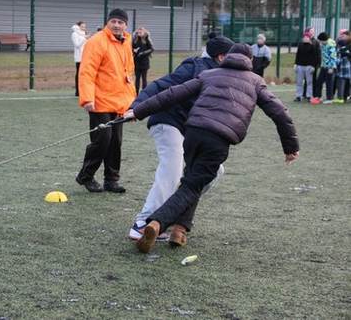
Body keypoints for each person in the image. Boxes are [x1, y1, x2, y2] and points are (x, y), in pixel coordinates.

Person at [125, 44, 299, 254]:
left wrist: (138, 111)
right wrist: (291, 147)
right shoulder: (256, 81)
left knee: (194, 180)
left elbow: (171, 94)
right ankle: (156, 223)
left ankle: (179, 230)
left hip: (192, 133)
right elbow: (280, 114)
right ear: (250, 61)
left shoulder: (209, 74)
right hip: (217, 139)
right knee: (192, 186)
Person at [127, 34, 234, 243]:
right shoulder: (194, 67)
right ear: (221, 57)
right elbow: (161, 85)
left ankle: (167, 216)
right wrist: (136, 107)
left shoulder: (224, 74)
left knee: (214, 171)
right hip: (168, 122)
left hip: (191, 131)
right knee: (172, 168)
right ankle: (142, 223)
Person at [75, 8, 136, 193]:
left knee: (116, 142)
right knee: (102, 140)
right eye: (114, 21)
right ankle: (86, 176)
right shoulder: (96, 41)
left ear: (126, 25)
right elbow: (86, 71)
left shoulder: (127, 41)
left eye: (121, 22)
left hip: (120, 102)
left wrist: (132, 104)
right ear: (107, 23)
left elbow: (129, 74)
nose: (117, 25)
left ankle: (111, 180)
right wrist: (87, 98)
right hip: (99, 101)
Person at [294, 29, 321, 102]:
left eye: (307, 37)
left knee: (309, 82)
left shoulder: (313, 46)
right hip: (300, 66)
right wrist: (296, 64)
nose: (305, 38)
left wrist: (313, 66)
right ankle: (298, 96)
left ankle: (309, 96)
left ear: (309, 38)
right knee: (299, 82)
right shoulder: (300, 44)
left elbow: (315, 57)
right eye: (304, 37)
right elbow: (298, 55)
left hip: (309, 66)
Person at [312, 32, 337, 105]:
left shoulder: (330, 46)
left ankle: (330, 99)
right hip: (324, 66)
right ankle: (318, 97)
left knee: (329, 83)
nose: (319, 42)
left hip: (330, 67)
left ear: (324, 40)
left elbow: (333, 57)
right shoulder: (323, 44)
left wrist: (331, 68)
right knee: (319, 81)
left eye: (320, 40)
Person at [132, 27, 154, 94]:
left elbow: (151, 49)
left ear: (144, 32)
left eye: (141, 32)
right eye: (138, 32)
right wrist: (134, 51)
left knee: (144, 78)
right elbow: (131, 48)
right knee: (137, 79)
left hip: (144, 63)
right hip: (136, 62)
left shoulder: (146, 39)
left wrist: (143, 53)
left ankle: (144, 93)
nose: (139, 33)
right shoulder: (135, 40)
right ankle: (136, 93)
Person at [71, 21, 88, 97]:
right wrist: (85, 38)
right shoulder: (74, 34)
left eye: (85, 27)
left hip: (86, 57)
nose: (84, 28)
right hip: (79, 57)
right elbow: (77, 45)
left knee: (85, 75)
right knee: (79, 74)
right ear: (78, 27)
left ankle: (84, 90)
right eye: (82, 27)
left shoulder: (83, 34)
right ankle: (77, 91)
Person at [334, 30, 350, 104]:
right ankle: (343, 97)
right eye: (341, 35)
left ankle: (343, 97)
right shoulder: (340, 43)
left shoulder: (347, 45)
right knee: (343, 82)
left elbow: (341, 56)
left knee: (344, 83)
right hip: (344, 67)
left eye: (343, 35)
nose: (341, 37)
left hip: (345, 67)